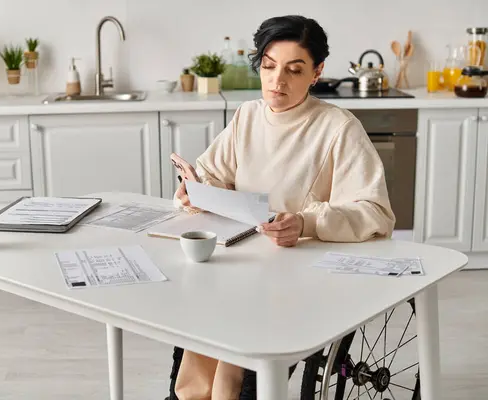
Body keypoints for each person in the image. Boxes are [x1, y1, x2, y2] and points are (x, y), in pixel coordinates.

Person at [168, 14, 396, 400]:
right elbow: (211, 174)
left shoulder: (338, 127)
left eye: (293, 70)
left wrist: (306, 222)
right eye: (269, 67)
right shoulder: (248, 116)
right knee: (195, 351)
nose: (277, 81)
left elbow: (375, 212)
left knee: (233, 371)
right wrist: (194, 191)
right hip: (239, 264)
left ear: (316, 71)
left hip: (296, 277)